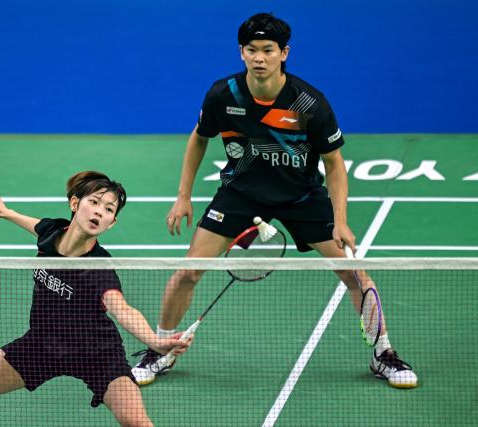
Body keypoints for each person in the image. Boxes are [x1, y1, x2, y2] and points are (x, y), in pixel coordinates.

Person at [131, 13, 417, 389]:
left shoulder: (308, 103)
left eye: (268, 50)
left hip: (300, 196)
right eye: (252, 50)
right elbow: (199, 137)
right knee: (188, 271)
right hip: (240, 193)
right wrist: (183, 195)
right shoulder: (224, 94)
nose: (259, 58)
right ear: (242, 52)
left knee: (354, 273)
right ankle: (160, 347)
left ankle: (384, 354)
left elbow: (334, 164)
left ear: (284, 53)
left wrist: (340, 219)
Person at [0, 171, 191, 427]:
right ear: (75, 204)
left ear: (112, 222)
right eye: (94, 202)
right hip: (42, 346)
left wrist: (154, 341)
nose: (99, 212)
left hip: (97, 354)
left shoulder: (99, 267)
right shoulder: (52, 232)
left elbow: (121, 308)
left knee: (138, 423)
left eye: (108, 209)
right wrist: (5, 212)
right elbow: (35, 226)